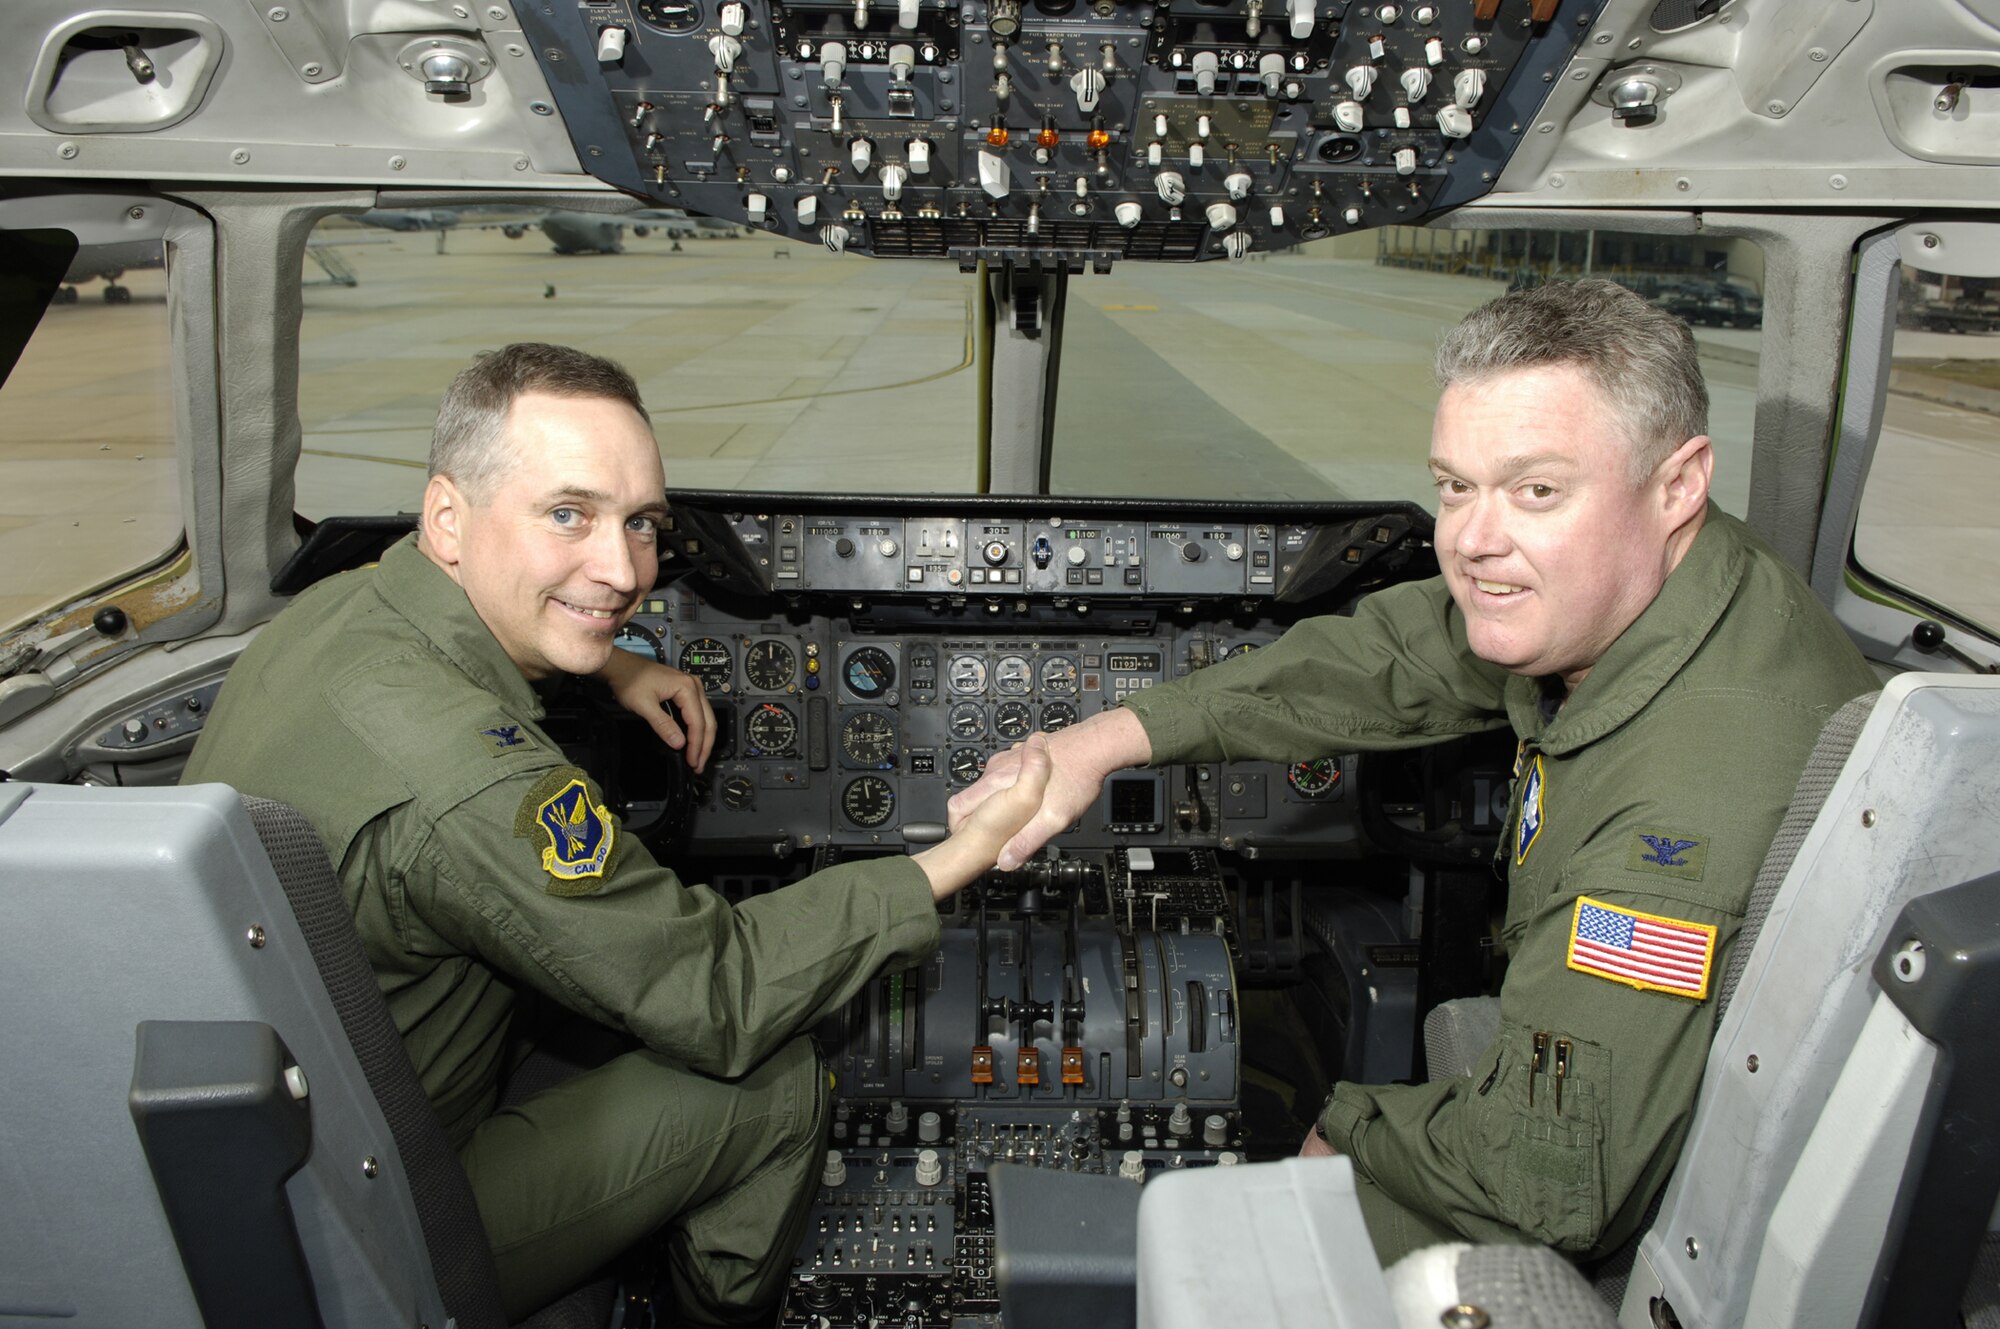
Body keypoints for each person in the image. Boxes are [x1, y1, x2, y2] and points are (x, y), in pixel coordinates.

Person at [953, 279, 1877, 1263]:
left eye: (1535, 490)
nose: (1471, 541)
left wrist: (1350, 1132)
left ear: (1676, 482)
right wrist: (1108, 738)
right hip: (1656, 1080)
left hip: (1667, 1184)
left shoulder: (1678, 816)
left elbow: (1544, 1184)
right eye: (1453, 485)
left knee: (1234, 1243)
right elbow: (1404, 648)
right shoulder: (1673, 587)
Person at [183, 343, 1051, 1323]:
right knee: (769, 1082)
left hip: (266, 1138)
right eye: (569, 514)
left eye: (641, 523)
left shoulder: (343, 608)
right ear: (446, 516)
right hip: (369, 1225)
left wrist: (603, 661)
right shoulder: (470, 782)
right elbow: (717, 992)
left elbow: (459, 655)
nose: (627, 570)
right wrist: (959, 857)